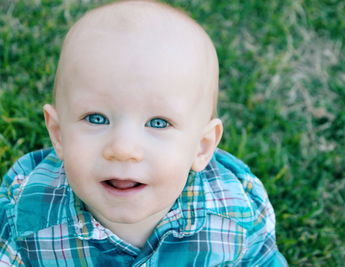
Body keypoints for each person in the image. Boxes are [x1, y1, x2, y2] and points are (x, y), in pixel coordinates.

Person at [0, 0, 287, 266]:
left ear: (201, 147)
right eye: (96, 118)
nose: (123, 148)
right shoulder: (28, 212)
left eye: (158, 123)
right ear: (59, 134)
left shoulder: (234, 217)